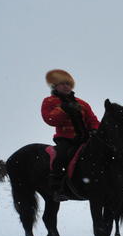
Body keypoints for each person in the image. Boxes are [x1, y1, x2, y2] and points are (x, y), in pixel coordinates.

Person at [41, 69, 100, 200]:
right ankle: (57, 188)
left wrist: (96, 129)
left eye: (68, 84)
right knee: (60, 156)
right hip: (66, 140)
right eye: (62, 84)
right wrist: (63, 109)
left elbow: (93, 120)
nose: (66, 86)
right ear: (55, 86)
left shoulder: (83, 103)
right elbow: (49, 119)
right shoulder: (49, 101)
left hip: (85, 139)